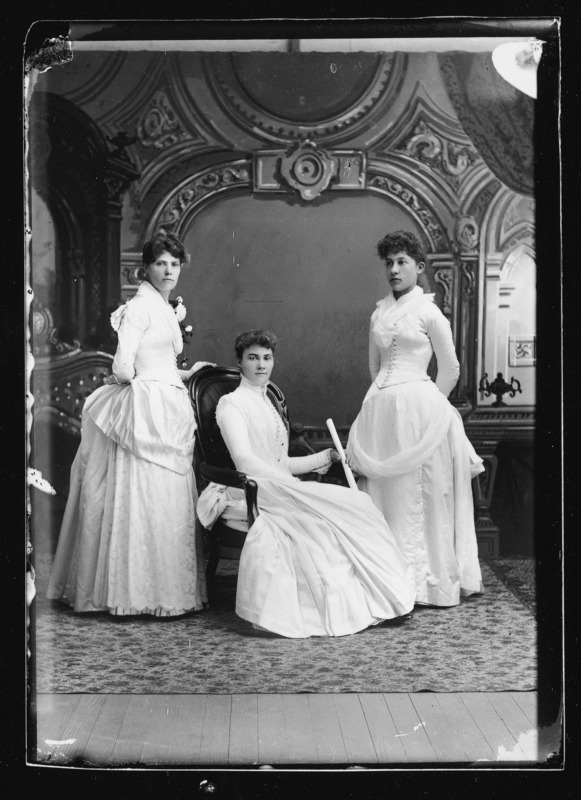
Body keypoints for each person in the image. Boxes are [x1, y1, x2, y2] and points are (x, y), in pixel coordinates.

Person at [199, 329, 415, 639]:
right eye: (253, 358)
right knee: (325, 522)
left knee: (359, 505)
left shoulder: (268, 404)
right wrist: (291, 485)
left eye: (267, 358)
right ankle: (336, 608)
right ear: (240, 362)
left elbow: (281, 462)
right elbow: (246, 462)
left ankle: (382, 599)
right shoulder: (230, 405)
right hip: (251, 489)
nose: (261, 365)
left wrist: (324, 457)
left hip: (279, 485)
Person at [46, 232, 211, 617]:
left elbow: (159, 363)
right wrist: (141, 383)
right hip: (147, 405)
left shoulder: (166, 308)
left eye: (174, 264)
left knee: (163, 495)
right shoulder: (138, 308)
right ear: (146, 268)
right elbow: (123, 366)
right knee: (142, 492)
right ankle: (133, 593)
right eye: (160, 264)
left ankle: (163, 590)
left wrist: (185, 374)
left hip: (166, 400)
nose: (168, 270)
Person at [346, 230, 484, 608]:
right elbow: (375, 367)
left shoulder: (428, 311)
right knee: (385, 494)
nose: (394, 269)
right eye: (389, 263)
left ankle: (428, 583)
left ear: (419, 268)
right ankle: (390, 582)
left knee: (421, 495)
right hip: (381, 412)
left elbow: (451, 368)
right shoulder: (379, 312)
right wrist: (386, 402)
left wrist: (429, 406)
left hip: (422, 411)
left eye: (402, 262)